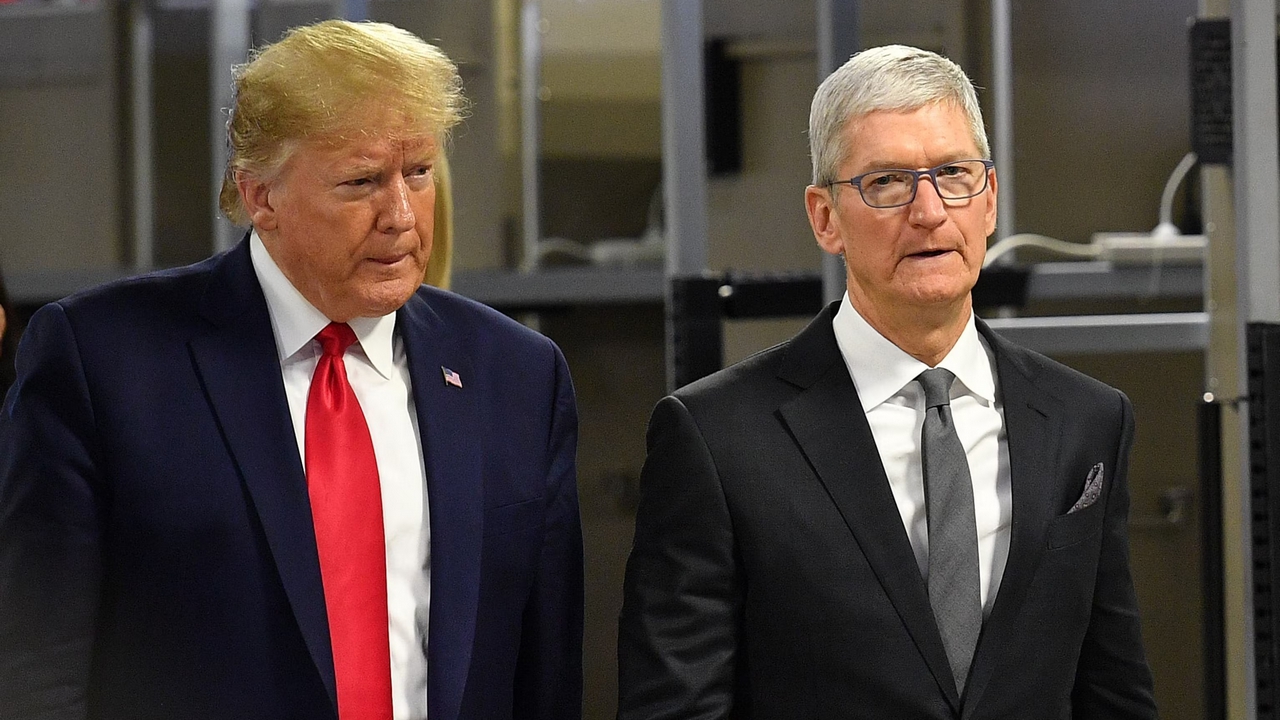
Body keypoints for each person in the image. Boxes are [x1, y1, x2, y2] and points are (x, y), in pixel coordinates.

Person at [0, 19, 582, 720]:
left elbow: (546, 674)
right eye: (362, 181)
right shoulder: (103, 360)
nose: (401, 215)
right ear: (260, 196)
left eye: (419, 173)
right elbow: (36, 669)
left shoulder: (517, 375)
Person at [617, 45, 1156, 719]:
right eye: (888, 182)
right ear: (825, 218)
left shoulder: (1086, 420)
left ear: (989, 200)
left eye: (953, 174)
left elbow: (1114, 693)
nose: (929, 211)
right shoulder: (718, 438)